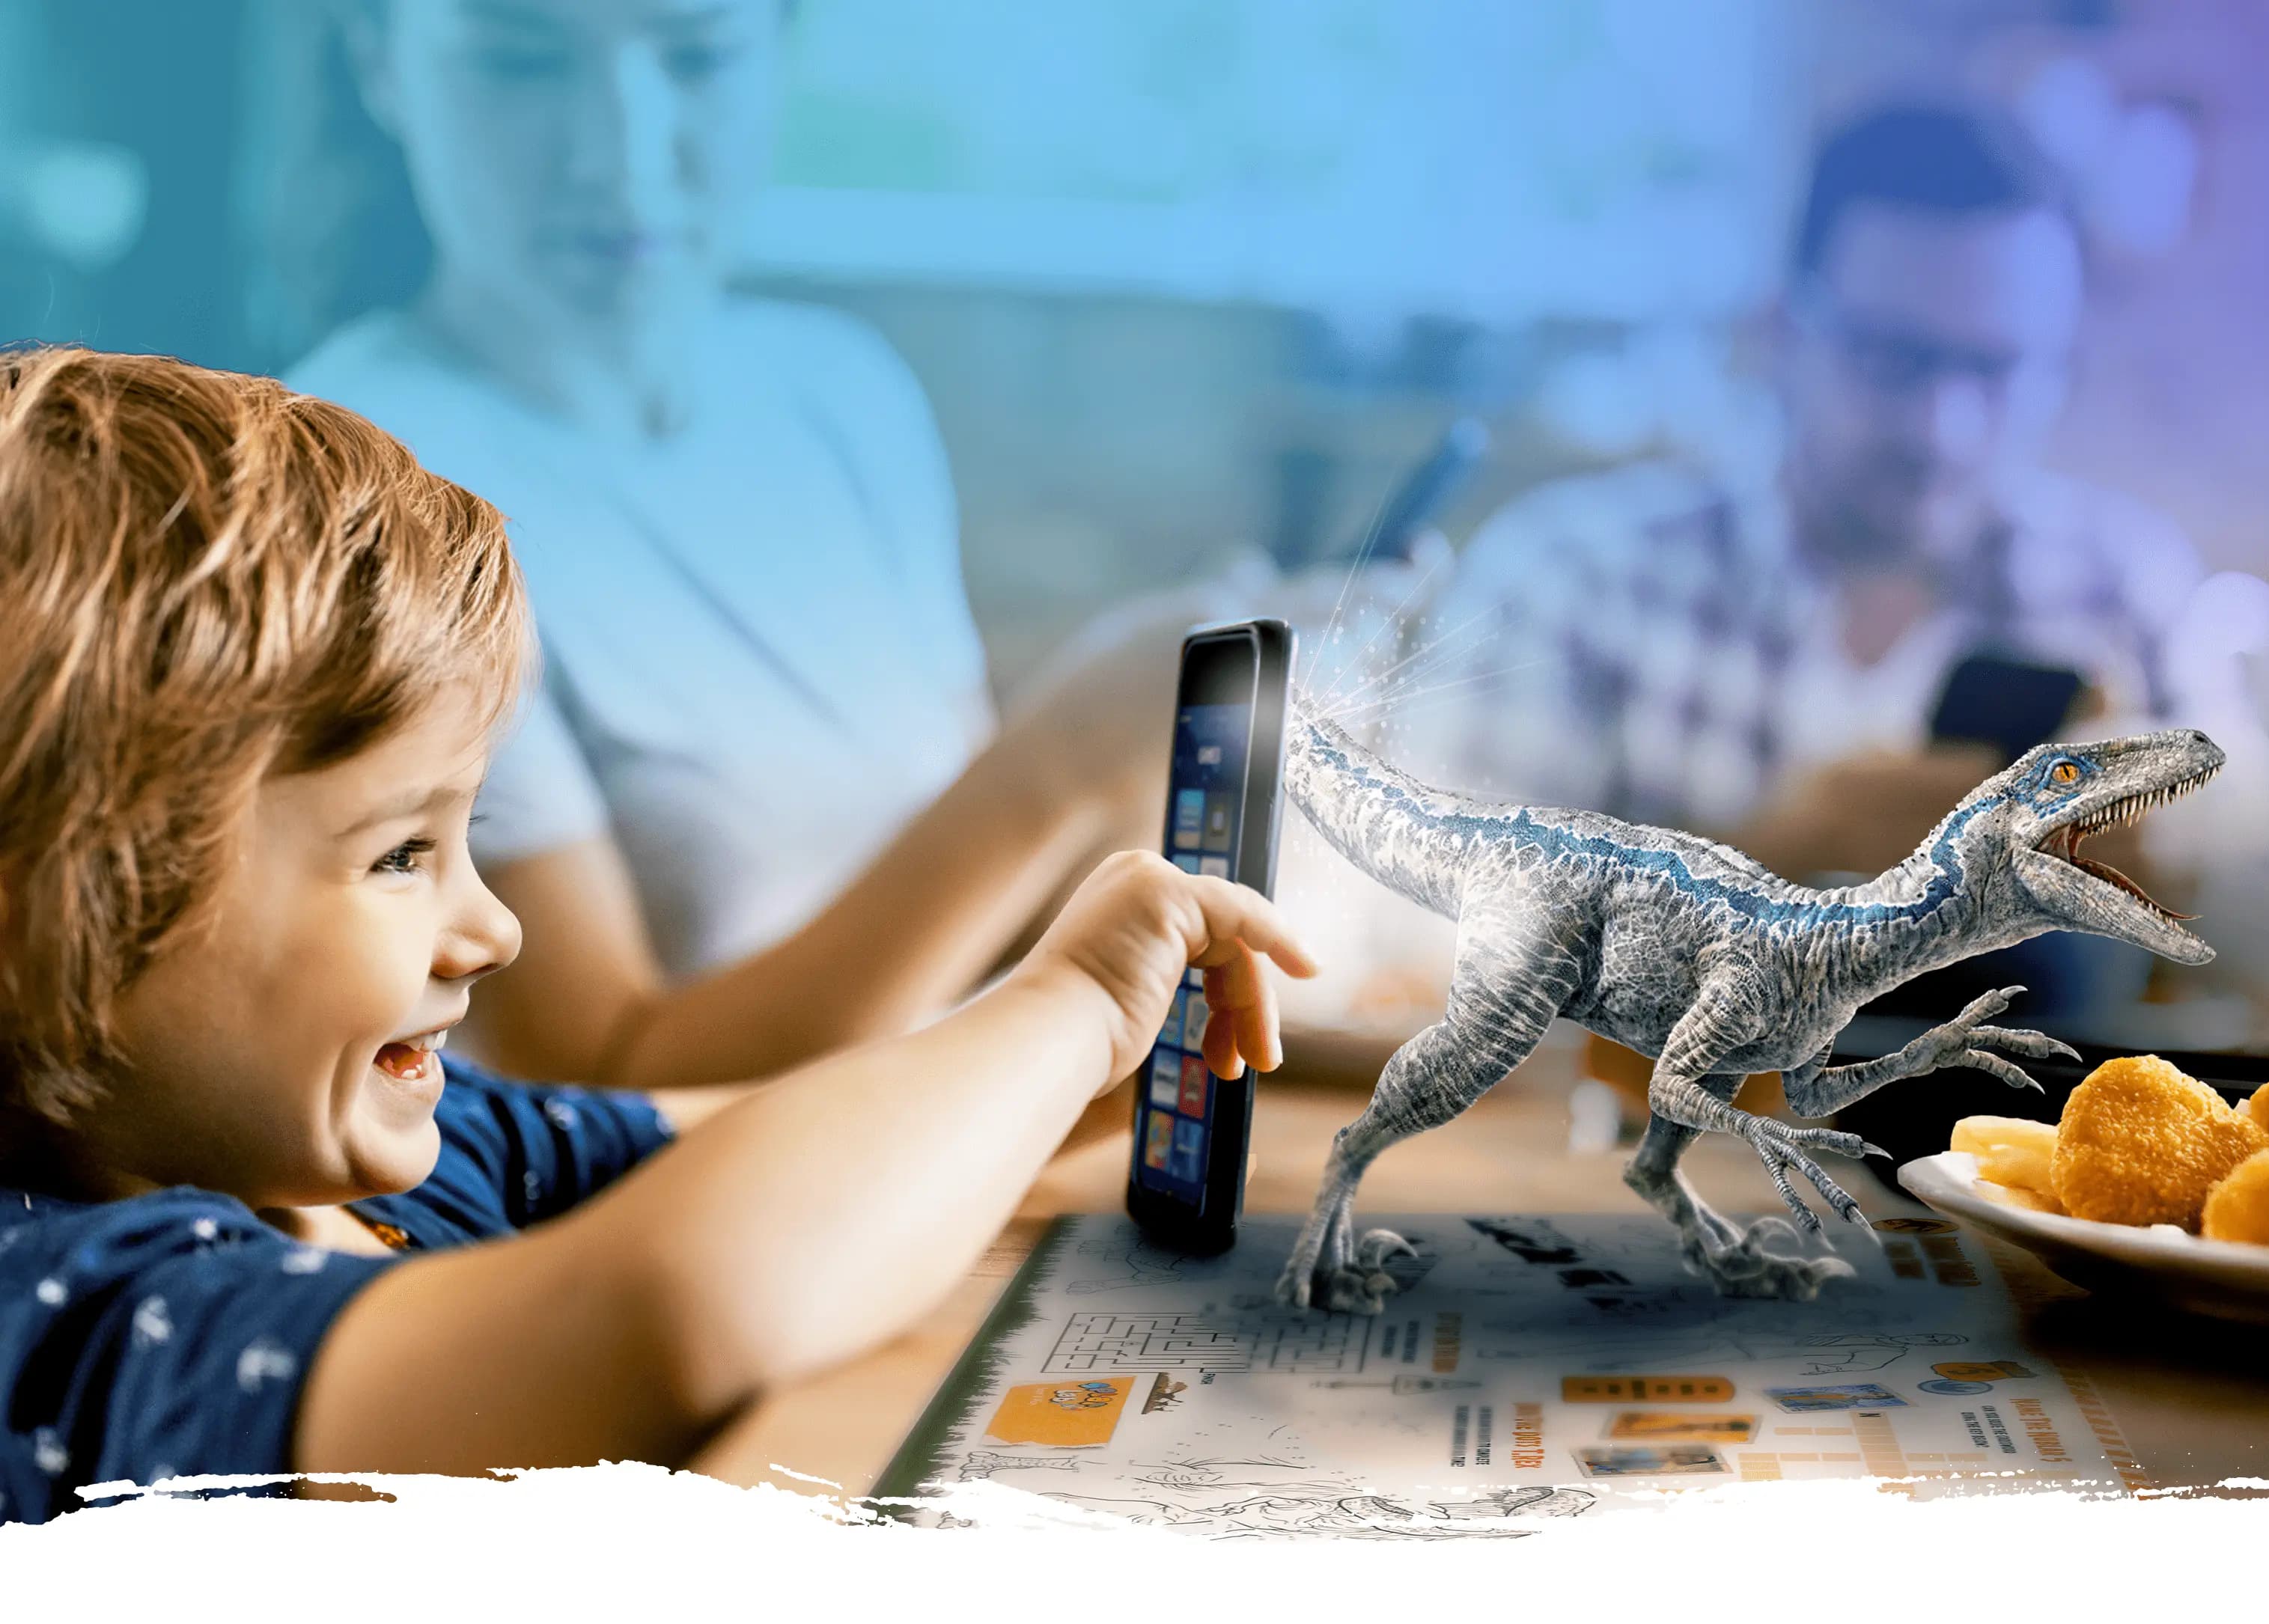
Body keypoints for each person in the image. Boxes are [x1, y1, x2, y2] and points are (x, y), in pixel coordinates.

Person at [0, 348, 1315, 1521]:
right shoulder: (67, 1327)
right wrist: (1068, 1005)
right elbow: (698, 1292)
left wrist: (1058, 1080)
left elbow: (744, 1137)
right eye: (401, 854)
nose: (492, 927)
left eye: (468, 833)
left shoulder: (395, 1160)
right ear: (66, 917)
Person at [269, 0, 1383, 1090]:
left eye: (697, 57)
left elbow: (972, 938)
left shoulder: (840, 395)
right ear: (380, 58)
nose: (621, 153)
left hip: (934, 1156)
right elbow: (596, 1086)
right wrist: (1064, 759)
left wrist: (1158, 733)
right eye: (523, 62)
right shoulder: (361, 495)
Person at [1405, 103, 2269, 1034]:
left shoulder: (2124, 584)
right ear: (1780, 334)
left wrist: (2178, 859)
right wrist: (1790, 853)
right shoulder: (1575, 576)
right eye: (1893, 359)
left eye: (1996, 368)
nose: (1941, 427)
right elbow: (1425, 945)